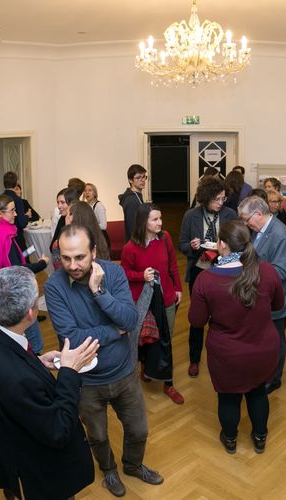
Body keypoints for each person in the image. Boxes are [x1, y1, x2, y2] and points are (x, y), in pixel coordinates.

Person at [44, 225, 162, 497]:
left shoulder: (114, 273)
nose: (72, 265)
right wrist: (113, 330)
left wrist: (99, 293)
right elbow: (71, 338)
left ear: (94, 252)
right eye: (65, 258)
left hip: (124, 373)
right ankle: (109, 470)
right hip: (85, 383)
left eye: (80, 257)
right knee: (96, 435)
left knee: (138, 429)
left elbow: (130, 320)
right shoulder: (54, 287)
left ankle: (132, 465)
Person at [0, 266, 98, 499]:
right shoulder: (18, 381)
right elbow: (58, 429)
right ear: (31, 313)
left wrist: (36, 361)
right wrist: (70, 371)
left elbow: (5, 362)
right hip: (40, 468)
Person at [188, 221, 283, 454]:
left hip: (227, 354)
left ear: (221, 244)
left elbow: (196, 321)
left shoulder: (206, 280)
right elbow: (278, 305)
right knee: (258, 392)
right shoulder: (268, 271)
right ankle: (260, 437)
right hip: (264, 349)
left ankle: (230, 439)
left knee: (228, 397)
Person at [120, 203, 184, 404]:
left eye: (160, 218)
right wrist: (141, 275)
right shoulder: (130, 248)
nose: (160, 223)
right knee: (146, 338)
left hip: (166, 299)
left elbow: (173, 264)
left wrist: (178, 288)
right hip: (143, 302)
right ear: (143, 222)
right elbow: (123, 274)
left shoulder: (164, 238)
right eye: (155, 219)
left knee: (166, 340)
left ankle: (169, 383)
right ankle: (146, 368)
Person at [178, 176, 237, 377]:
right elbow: (182, 245)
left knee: (223, 316)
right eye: (217, 199)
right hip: (199, 270)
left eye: (223, 198)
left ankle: (223, 355)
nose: (221, 203)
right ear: (205, 198)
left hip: (224, 271)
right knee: (197, 318)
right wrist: (191, 246)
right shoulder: (190, 216)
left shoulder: (230, 214)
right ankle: (194, 359)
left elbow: (237, 243)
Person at [238, 196, 286, 393]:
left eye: (246, 219)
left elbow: (280, 272)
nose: (245, 224)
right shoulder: (258, 230)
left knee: (276, 339)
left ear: (258, 214)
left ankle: (274, 378)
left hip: (276, 300)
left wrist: (250, 273)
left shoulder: (280, 233)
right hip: (262, 297)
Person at [0, 194, 49, 354]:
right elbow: (16, 269)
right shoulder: (3, 235)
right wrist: (42, 264)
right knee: (35, 341)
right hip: (16, 291)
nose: (15, 214)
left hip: (4, 289)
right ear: (0, 213)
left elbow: (8, 260)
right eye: (12, 211)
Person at [119, 164, 147, 242]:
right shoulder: (131, 200)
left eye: (144, 176)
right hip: (136, 243)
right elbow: (133, 228)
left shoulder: (136, 195)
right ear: (130, 180)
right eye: (138, 177)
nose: (142, 180)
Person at [2, 171, 29, 250]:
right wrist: (26, 216)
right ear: (16, 183)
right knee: (23, 259)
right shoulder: (17, 199)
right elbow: (22, 223)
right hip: (16, 237)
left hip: (3, 237)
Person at [83, 182, 111, 251]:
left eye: (90, 190)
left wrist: (89, 225)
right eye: (85, 190)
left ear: (94, 193)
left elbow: (104, 226)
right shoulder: (86, 206)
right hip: (91, 238)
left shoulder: (99, 206)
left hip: (100, 239)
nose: (87, 192)